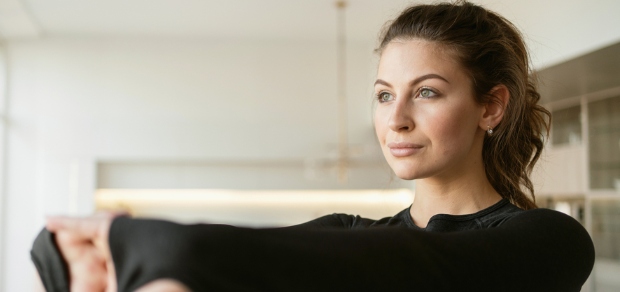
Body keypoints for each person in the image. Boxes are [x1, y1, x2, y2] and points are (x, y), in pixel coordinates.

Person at [32, 1, 595, 291]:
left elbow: (422, 269)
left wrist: (148, 244)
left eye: (426, 92)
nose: (394, 119)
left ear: (490, 106)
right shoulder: (346, 237)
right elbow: (246, 261)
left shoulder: (548, 243)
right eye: (382, 95)